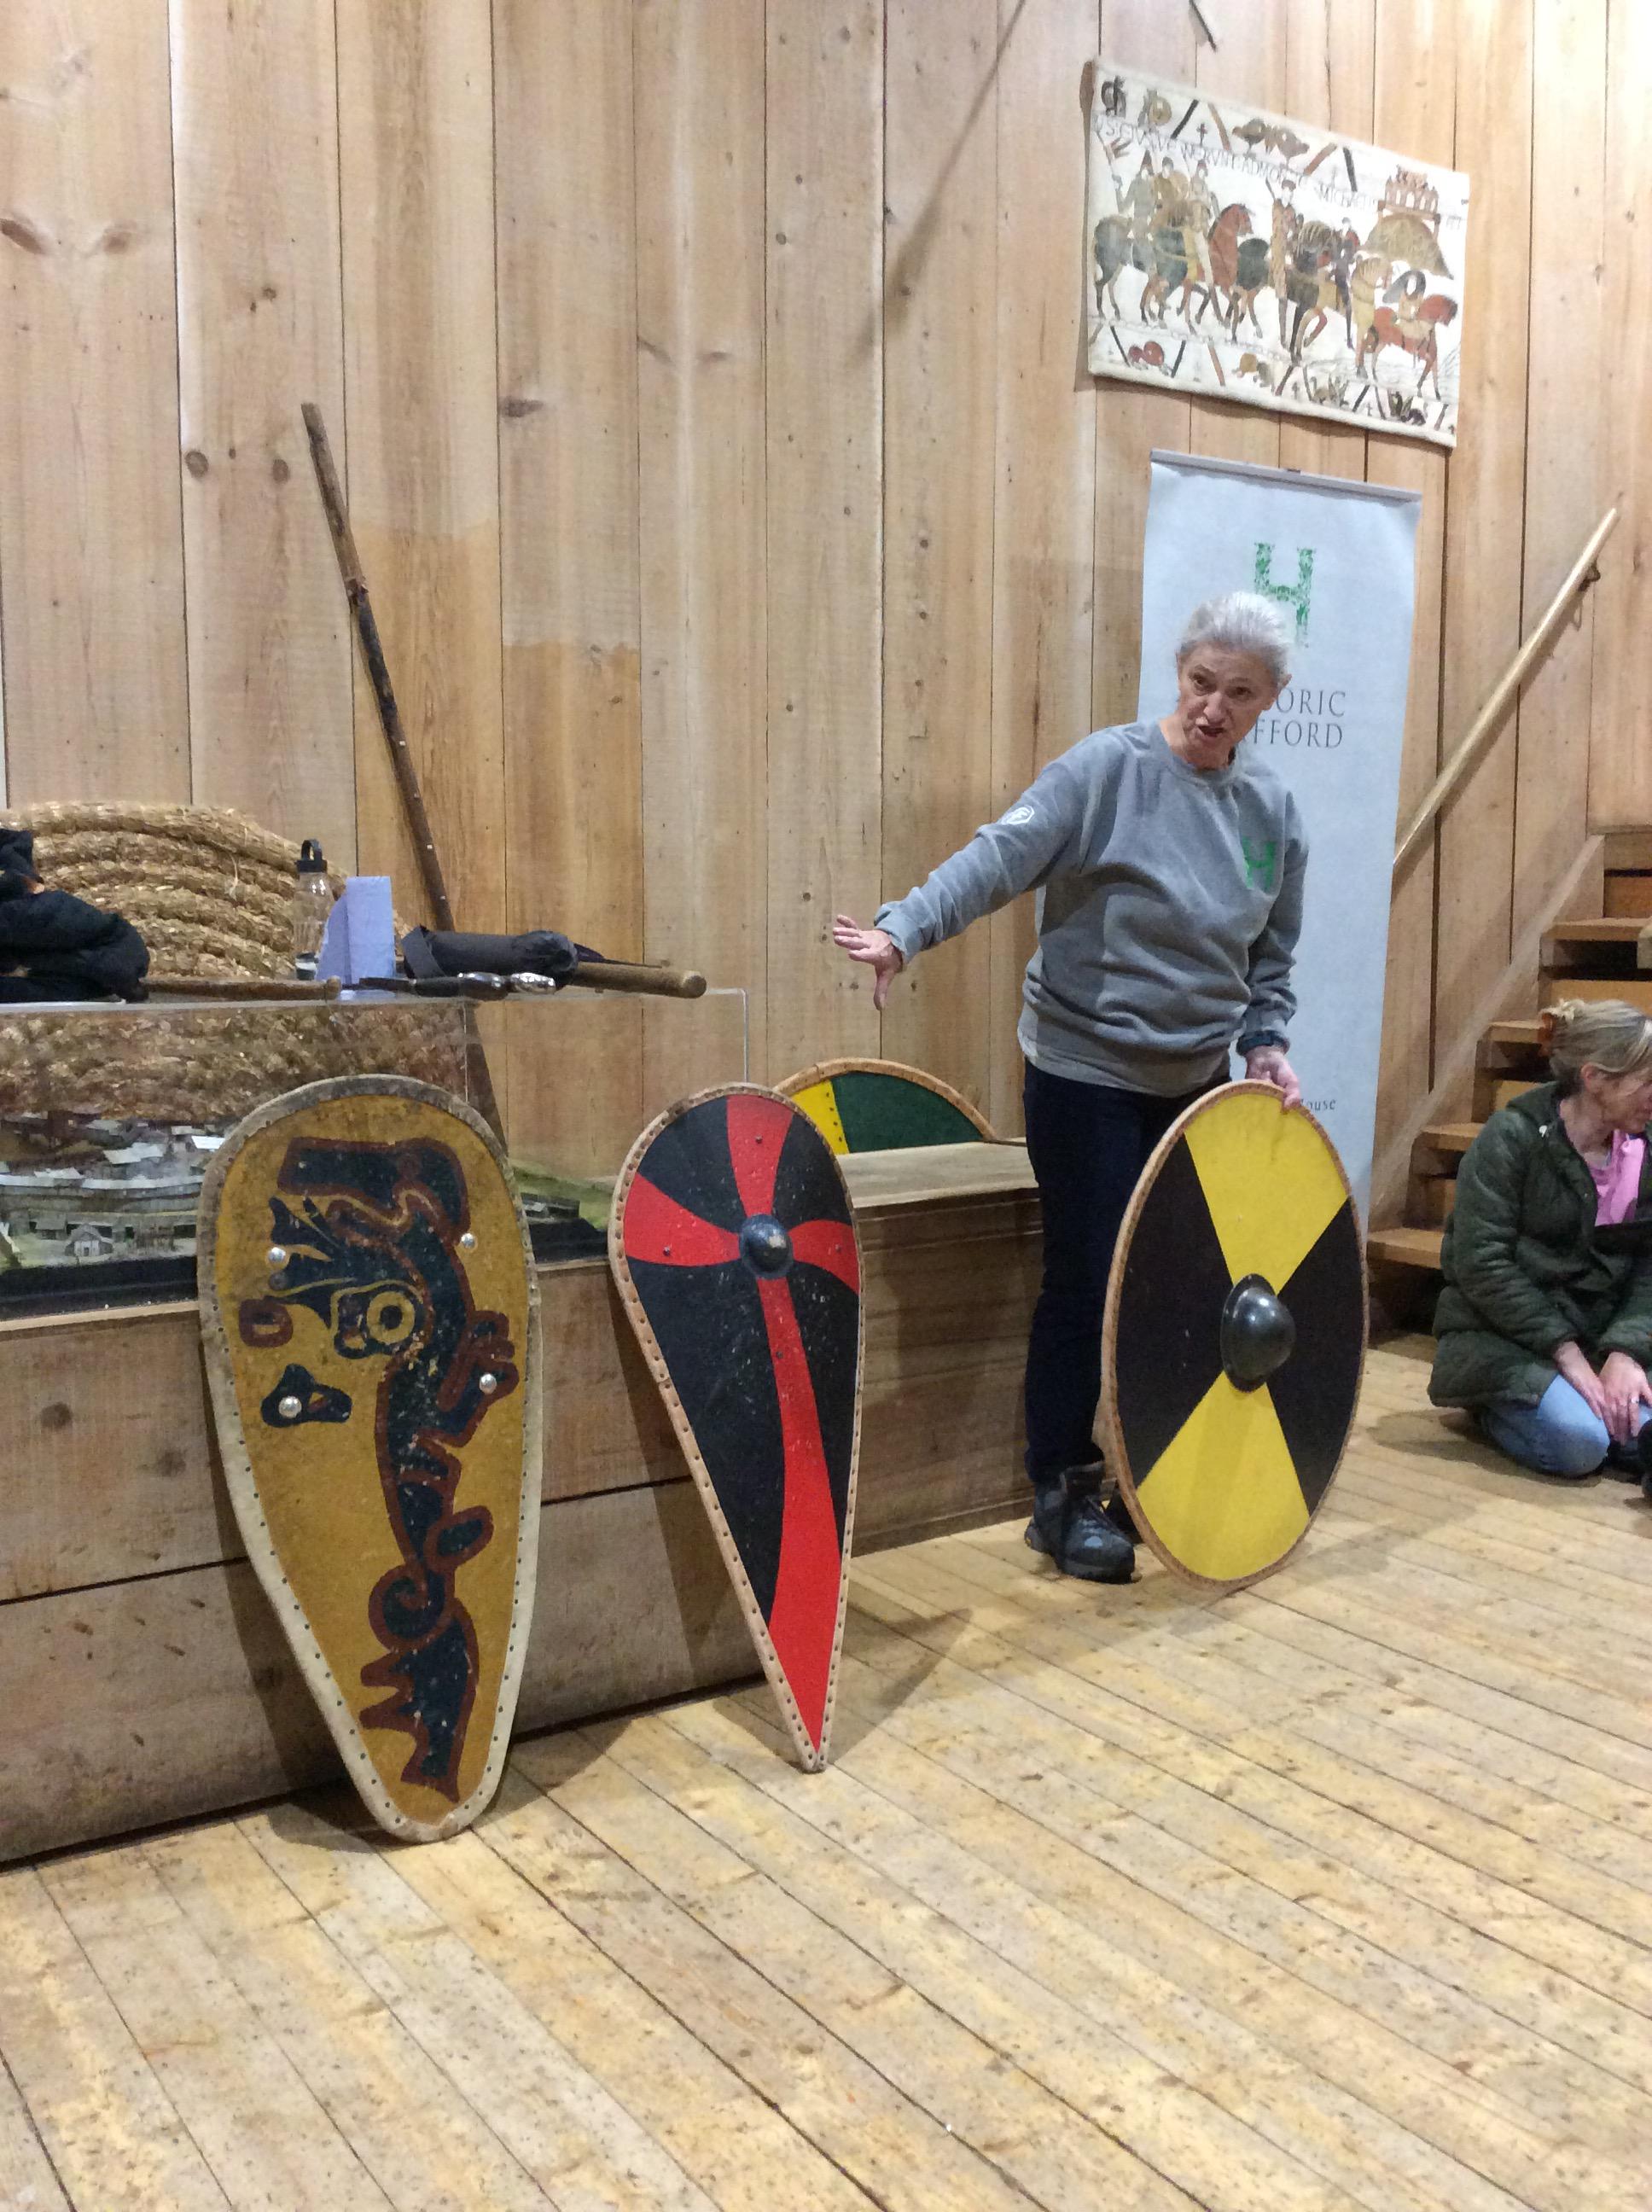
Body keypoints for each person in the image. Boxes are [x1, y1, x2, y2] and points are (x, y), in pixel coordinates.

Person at [834, 592, 1306, 1583]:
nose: (1212, 707)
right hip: (1085, 1072)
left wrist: (1264, 1043)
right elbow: (997, 858)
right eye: (1201, 682)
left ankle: (1150, 1475)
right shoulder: (1105, 771)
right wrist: (903, 931)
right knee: (1086, 1280)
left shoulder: (1270, 812)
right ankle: (1060, 1489)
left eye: (1239, 693)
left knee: (1181, 1284)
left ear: (1269, 701)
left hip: (1196, 1080)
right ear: (1179, 671)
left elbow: (1270, 954)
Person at [1430, 997, 1652, 1485]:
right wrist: (1568, 1355)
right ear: (1595, 1079)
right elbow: (1482, 1265)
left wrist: (1626, 1352)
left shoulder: (1645, 1145)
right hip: (1507, 1337)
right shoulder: (1511, 1138)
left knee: (1637, 1422)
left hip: (1600, 1336)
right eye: (1646, 1082)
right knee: (1580, 1444)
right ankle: (1492, 1405)